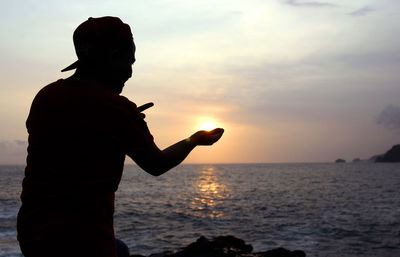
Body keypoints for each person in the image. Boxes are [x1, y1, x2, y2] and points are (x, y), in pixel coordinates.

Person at [17, 16, 224, 257]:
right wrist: (194, 140)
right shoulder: (115, 109)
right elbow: (156, 164)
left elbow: (74, 135)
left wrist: (119, 123)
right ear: (114, 57)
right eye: (130, 61)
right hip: (83, 239)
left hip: (33, 233)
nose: (130, 72)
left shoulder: (46, 96)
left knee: (122, 250)